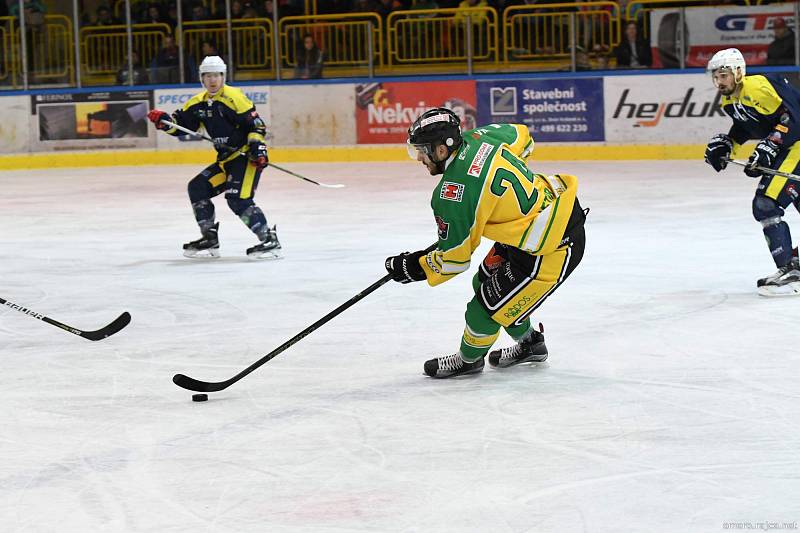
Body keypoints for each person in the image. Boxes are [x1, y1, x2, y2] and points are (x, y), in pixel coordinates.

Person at [385, 108, 586, 378]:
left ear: (442, 149)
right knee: (484, 282)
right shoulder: (481, 137)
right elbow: (524, 139)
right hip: (544, 217)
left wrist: (415, 267)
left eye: (422, 150)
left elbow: (452, 262)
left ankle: (469, 360)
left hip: (551, 247)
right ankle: (530, 344)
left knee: (482, 310)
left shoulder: (453, 194)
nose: (420, 158)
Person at [146, 56, 281, 259]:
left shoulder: (234, 97)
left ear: (223, 76)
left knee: (238, 199)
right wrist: (164, 122)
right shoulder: (197, 103)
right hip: (226, 160)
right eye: (208, 76)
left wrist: (257, 147)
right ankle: (209, 238)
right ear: (202, 78)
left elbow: (256, 125)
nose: (213, 80)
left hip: (245, 158)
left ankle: (269, 240)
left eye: (217, 75)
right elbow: (180, 126)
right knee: (197, 188)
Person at [704, 48, 800, 296]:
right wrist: (729, 144)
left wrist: (770, 145)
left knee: (766, 203)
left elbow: (793, 119)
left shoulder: (756, 88)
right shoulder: (730, 100)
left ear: (738, 71)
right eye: (715, 76)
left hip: (797, 145)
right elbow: (747, 128)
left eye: (723, 75)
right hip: (789, 147)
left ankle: (791, 272)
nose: (719, 81)